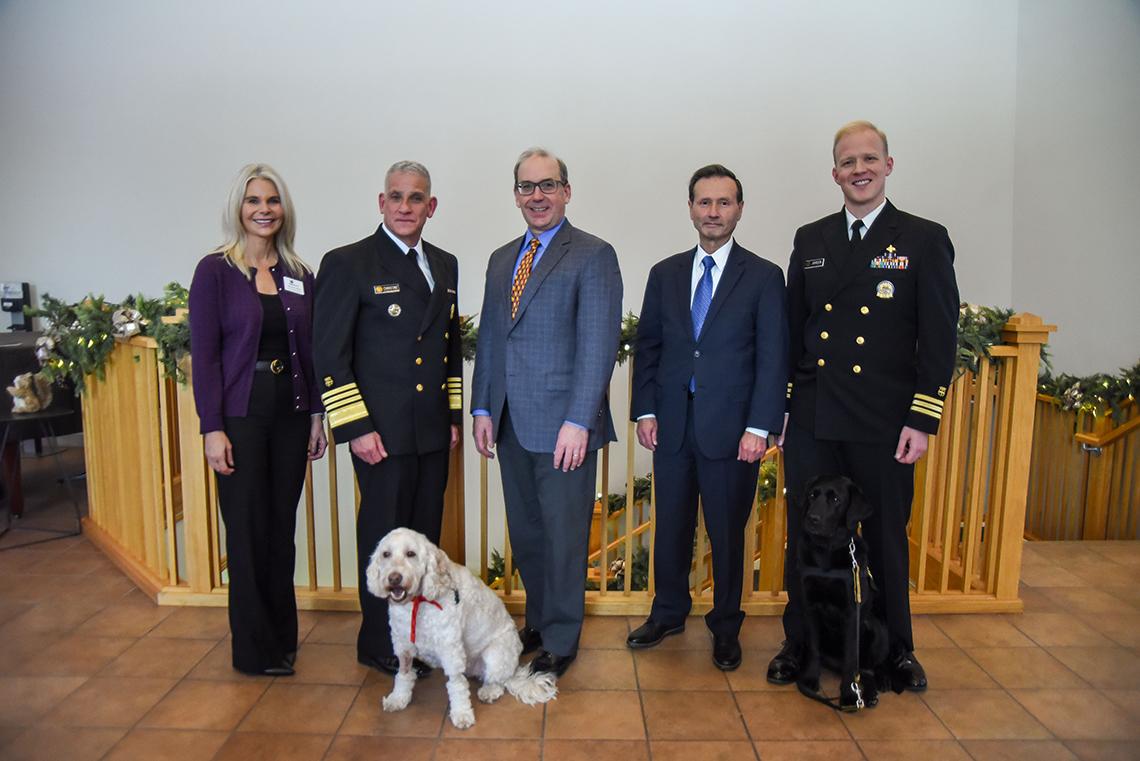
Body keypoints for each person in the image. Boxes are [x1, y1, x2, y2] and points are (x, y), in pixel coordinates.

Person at [769, 121, 959, 691]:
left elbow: (939, 335)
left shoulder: (923, 238)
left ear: (889, 164)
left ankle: (897, 649)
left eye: (869, 159)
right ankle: (798, 641)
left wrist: (922, 417)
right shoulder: (812, 238)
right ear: (835, 173)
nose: (859, 169)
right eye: (848, 162)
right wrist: (784, 406)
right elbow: (792, 327)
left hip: (884, 422)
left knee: (885, 539)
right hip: (816, 417)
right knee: (806, 534)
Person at [627, 165, 788, 670]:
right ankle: (668, 612)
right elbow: (648, 346)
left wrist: (759, 427)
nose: (713, 211)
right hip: (672, 424)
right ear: (691, 207)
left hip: (733, 431)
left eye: (723, 202)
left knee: (725, 532)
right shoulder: (665, 273)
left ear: (739, 208)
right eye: (704, 202)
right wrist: (646, 409)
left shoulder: (763, 276)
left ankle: (724, 626)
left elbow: (772, 356)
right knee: (671, 526)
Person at [470, 147, 623, 677]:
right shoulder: (500, 258)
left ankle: (561, 637)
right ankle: (538, 619)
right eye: (527, 187)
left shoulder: (593, 254)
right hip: (511, 422)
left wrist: (580, 420)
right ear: (516, 194)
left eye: (548, 185)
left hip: (564, 427)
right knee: (529, 531)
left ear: (566, 191)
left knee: (562, 535)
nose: (537, 196)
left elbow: (599, 345)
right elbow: (492, 339)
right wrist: (483, 406)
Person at [313, 161, 462, 676]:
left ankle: (416, 642)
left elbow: (448, 348)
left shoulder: (445, 264)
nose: (405, 206)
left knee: (421, 545)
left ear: (430, 207)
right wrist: (355, 428)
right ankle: (378, 642)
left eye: (416, 198)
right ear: (381, 202)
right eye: (396, 197)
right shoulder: (349, 262)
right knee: (384, 545)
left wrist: (453, 416)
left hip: (429, 432)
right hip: (380, 432)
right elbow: (330, 354)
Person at [189, 163, 327, 677]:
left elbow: (311, 353)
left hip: (291, 416)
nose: (264, 209)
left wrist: (317, 414)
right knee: (246, 531)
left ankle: (282, 640)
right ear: (238, 210)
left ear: (283, 209)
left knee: (279, 529)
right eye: (254, 201)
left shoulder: (300, 274)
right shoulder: (215, 272)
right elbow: (205, 356)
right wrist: (212, 426)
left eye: (272, 200)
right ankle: (252, 650)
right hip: (240, 417)